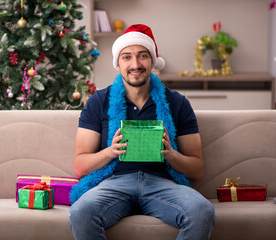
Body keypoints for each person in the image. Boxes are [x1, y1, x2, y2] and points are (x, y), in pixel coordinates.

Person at [68, 24, 215, 240]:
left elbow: (197, 169)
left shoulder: (177, 103)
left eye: (142, 56)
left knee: (202, 210)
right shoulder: (98, 102)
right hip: (114, 182)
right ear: (118, 64)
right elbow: (80, 166)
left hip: (162, 184)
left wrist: (171, 154)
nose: (135, 64)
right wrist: (111, 151)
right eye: (127, 57)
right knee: (80, 211)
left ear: (153, 60)